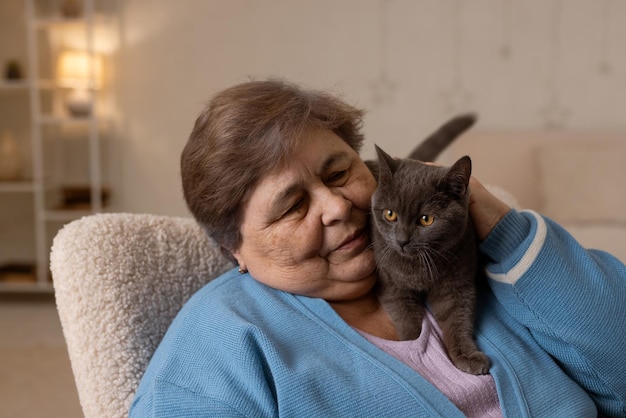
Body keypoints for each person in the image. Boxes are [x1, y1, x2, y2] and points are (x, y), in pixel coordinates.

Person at [131, 79, 626, 417]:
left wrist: (498, 223)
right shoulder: (223, 336)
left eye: (340, 172)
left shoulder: (476, 260)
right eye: (292, 206)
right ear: (232, 247)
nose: (337, 206)